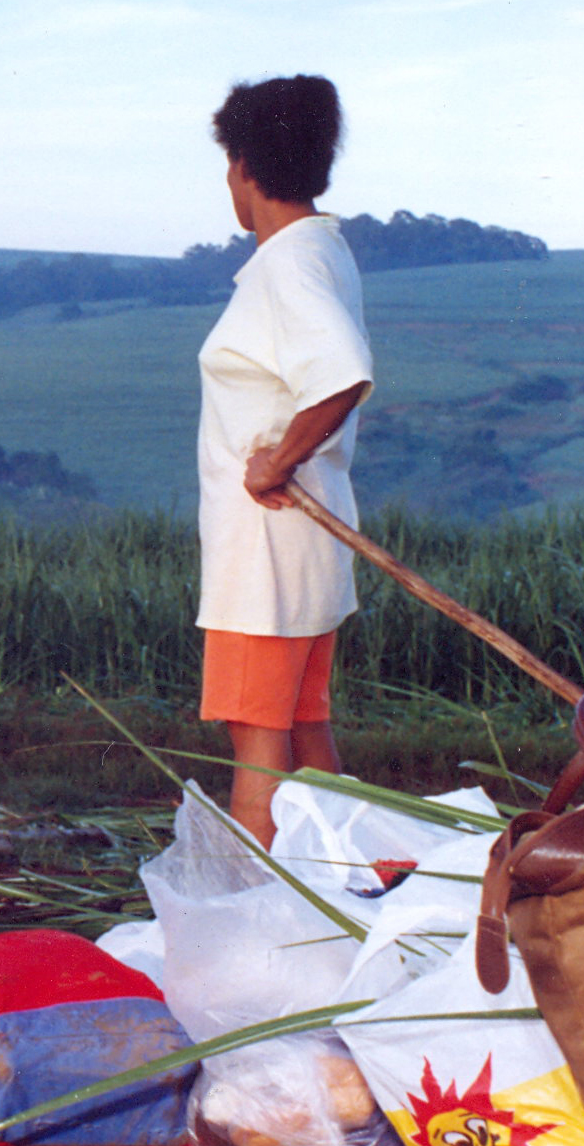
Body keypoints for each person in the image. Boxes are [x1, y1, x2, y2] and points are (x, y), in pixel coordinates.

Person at [196, 75, 373, 848]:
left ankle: (262, 924)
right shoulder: (319, 253)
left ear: (242, 168)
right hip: (305, 544)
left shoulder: (286, 267)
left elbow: (341, 373)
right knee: (304, 730)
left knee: (258, 752)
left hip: (266, 549)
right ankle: (352, 892)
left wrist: (277, 462)